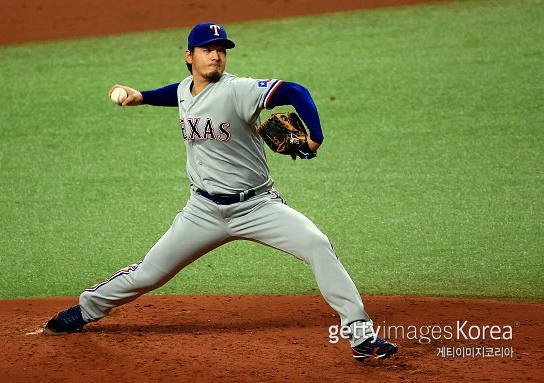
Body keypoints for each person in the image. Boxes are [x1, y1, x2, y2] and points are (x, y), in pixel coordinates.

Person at [44, 22, 397, 361]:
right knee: (149, 274)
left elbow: (295, 91)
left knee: (317, 245)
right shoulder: (186, 89)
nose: (216, 55)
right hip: (203, 212)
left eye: (221, 50)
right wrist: (142, 97)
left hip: (258, 207)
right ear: (189, 56)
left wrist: (315, 135)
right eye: (207, 49)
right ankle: (86, 308)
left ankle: (361, 335)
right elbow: (180, 94)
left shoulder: (237, 89)